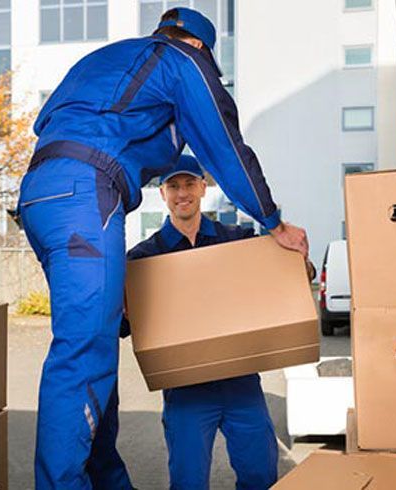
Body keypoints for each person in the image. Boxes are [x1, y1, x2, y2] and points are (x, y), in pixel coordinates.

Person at [17, 7, 309, 489]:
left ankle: (109, 482)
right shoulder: (181, 60)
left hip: (41, 196)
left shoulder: (108, 60)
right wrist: (272, 219)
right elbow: (224, 144)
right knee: (84, 354)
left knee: (96, 346)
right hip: (86, 193)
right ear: (200, 47)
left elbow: (47, 125)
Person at [126, 155, 313, 489]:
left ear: (203, 187)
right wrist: (121, 309)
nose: (182, 193)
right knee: (188, 482)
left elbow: (278, 278)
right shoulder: (144, 258)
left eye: (188, 184)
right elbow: (126, 327)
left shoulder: (236, 240)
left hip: (241, 382)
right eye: (173, 186)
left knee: (261, 474)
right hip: (186, 390)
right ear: (162, 194)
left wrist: (302, 265)